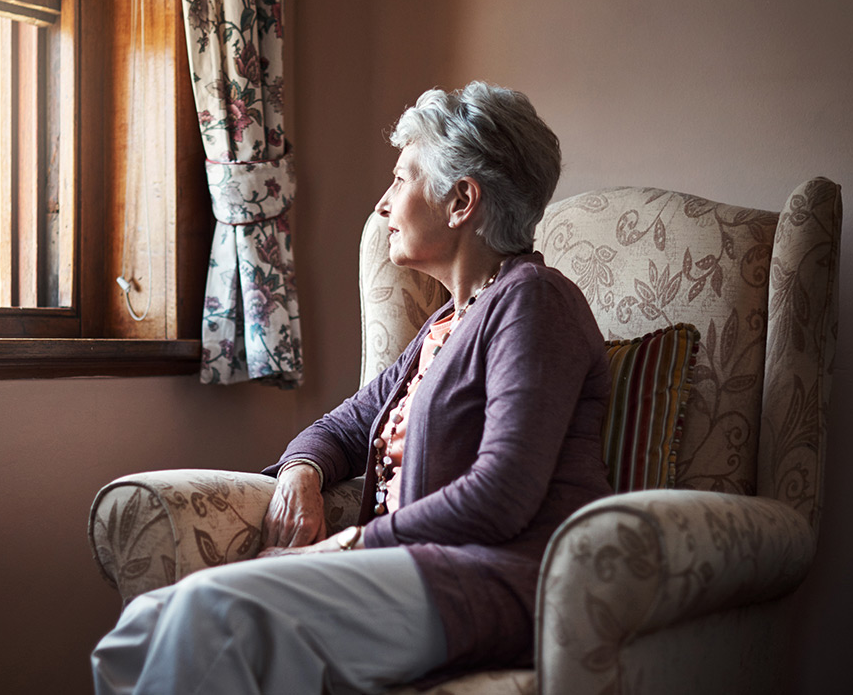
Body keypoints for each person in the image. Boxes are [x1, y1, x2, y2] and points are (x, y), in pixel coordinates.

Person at [91, 82, 614, 694]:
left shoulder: (533, 300)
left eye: (400, 180)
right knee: (140, 630)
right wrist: (302, 473)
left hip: (497, 580)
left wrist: (349, 542)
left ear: (461, 201)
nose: (383, 204)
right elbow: (344, 424)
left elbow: (503, 492)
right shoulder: (444, 325)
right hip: (416, 571)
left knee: (212, 609)